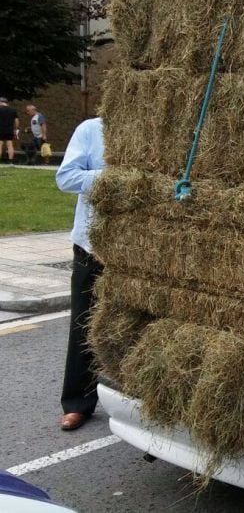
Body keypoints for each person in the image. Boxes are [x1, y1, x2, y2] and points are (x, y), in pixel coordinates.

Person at [56, 117, 104, 431]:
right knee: (84, 323)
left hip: (140, 252)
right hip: (92, 245)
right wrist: (112, 178)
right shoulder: (90, 130)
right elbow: (66, 178)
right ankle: (77, 403)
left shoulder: (163, 129)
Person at [0, 97, 19, 163]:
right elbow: (16, 121)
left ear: (1, 102)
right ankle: (11, 160)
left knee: (0, 144)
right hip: (9, 130)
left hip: (0, 129)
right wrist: (15, 129)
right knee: (10, 144)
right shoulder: (13, 110)